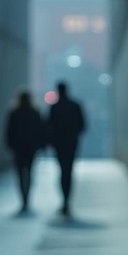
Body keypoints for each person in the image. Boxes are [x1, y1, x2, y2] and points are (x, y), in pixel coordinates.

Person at [47, 81, 86, 217]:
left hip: (59, 145)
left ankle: (64, 200)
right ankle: (66, 201)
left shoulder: (54, 107)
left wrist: (50, 142)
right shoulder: (75, 106)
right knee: (68, 171)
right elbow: (82, 125)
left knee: (63, 171)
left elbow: (49, 127)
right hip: (71, 144)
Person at [5, 90, 47, 214]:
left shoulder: (15, 113)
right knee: (28, 172)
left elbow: (9, 131)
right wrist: (41, 145)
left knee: (20, 173)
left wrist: (11, 145)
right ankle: (26, 197)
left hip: (19, 148)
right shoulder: (34, 113)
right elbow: (41, 130)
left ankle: (23, 198)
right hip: (30, 148)